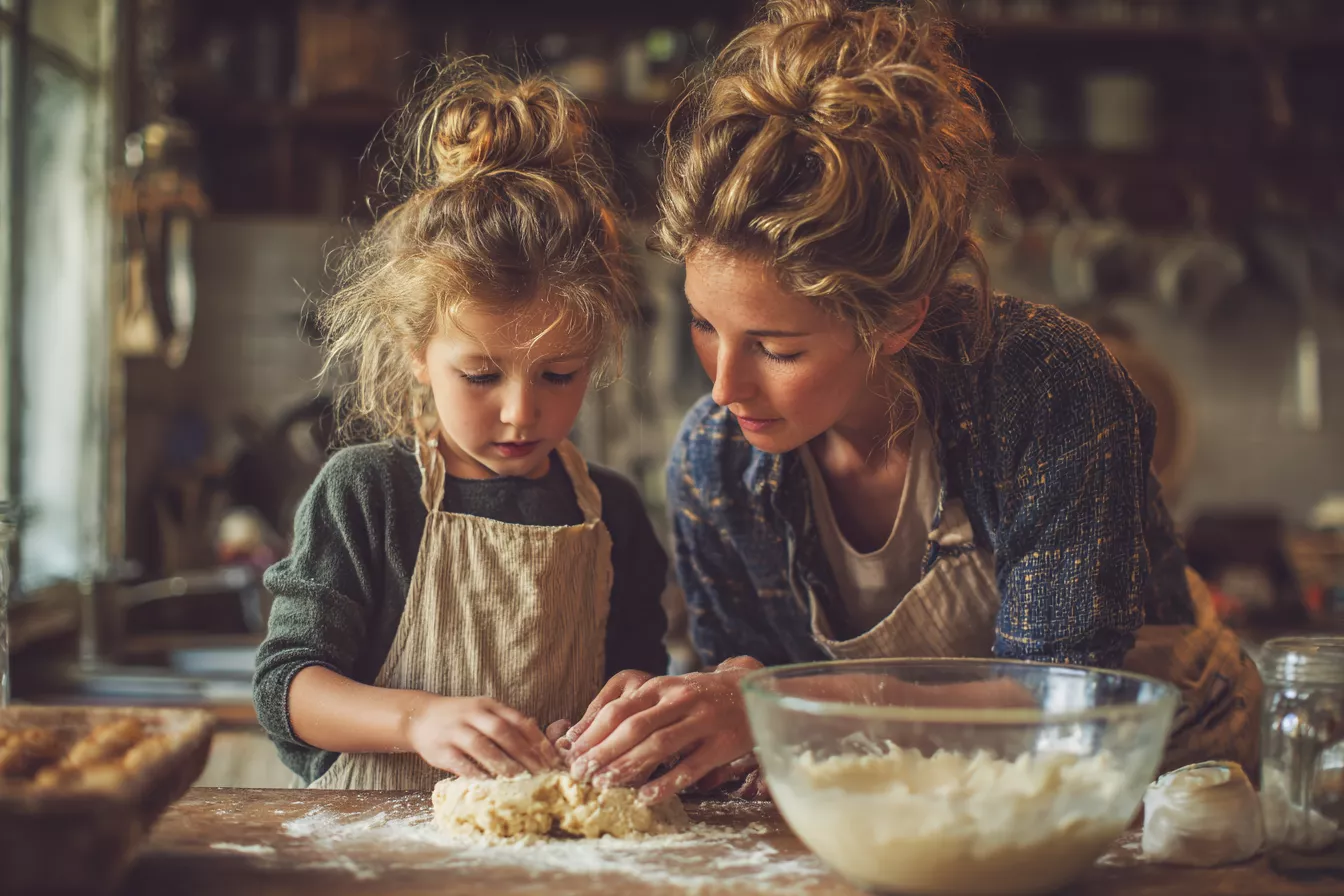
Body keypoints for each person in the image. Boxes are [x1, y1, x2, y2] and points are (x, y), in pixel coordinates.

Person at [560, 0, 1261, 804]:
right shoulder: (715, 462)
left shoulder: (1046, 386)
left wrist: (780, 704)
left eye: (778, 348)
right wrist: (702, 714)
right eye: (705, 326)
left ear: (898, 317)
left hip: (1169, 791)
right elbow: (759, 749)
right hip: (927, 799)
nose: (724, 387)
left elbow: (1064, 707)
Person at [252, 60, 669, 789]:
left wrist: (631, 705)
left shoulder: (613, 514)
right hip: (379, 853)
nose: (520, 411)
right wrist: (418, 720)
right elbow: (288, 690)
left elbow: (639, 665)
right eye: (480, 375)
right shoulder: (369, 493)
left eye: (559, 375)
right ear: (418, 353)